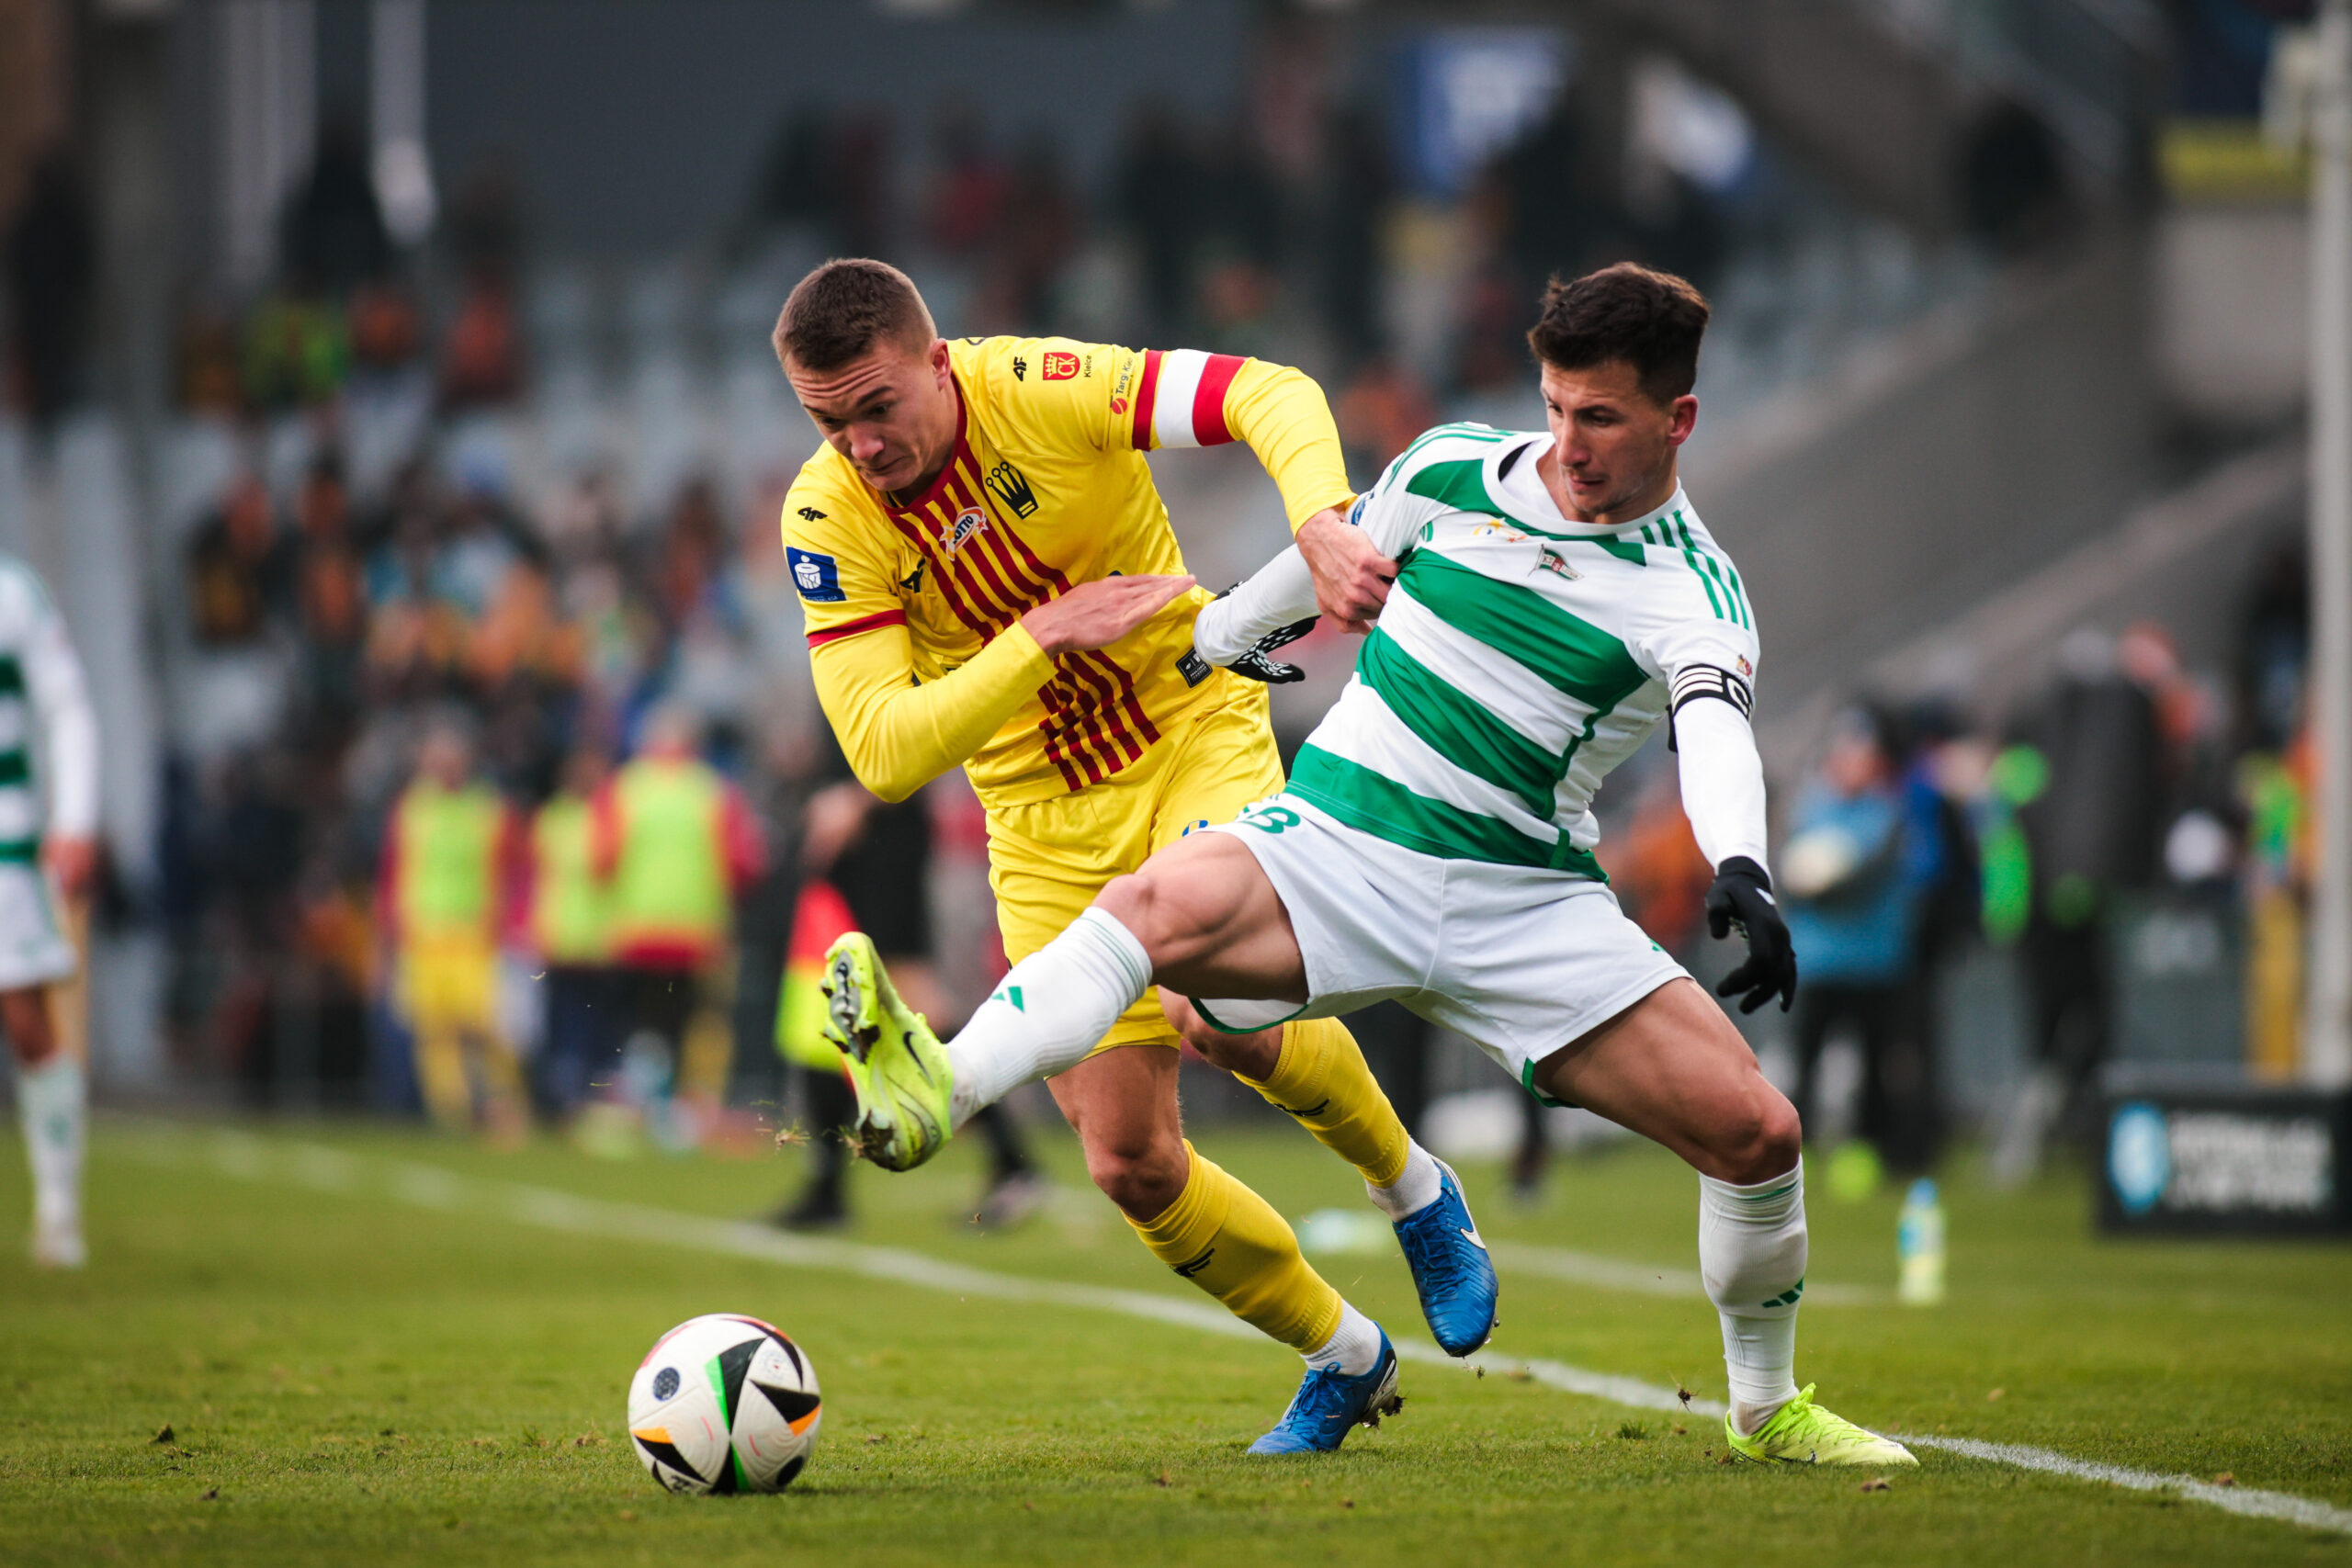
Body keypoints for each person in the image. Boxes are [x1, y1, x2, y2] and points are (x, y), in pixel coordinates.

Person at [827, 264, 1915, 1468]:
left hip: (1527, 901)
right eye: (1555, 407)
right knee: (1153, 913)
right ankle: (941, 1089)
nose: (1569, 444)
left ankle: (1766, 1408)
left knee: (1758, 1130)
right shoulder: (1455, 468)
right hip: (1343, 847)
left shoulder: (1696, 591)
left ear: (1679, 419)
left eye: (1599, 417)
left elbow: (1713, 730)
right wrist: (1222, 636)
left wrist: (1745, 865)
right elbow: (1328, 557)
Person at [773, 258, 1494, 1453]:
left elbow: (1267, 387)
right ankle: (1345, 1354)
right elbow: (884, 750)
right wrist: (1038, 638)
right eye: (826, 419)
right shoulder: (825, 515)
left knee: (1214, 1003)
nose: (857, 442)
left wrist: (1317, 518)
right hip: (1041, 818)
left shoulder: (1041, 387)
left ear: (935, 362)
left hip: (1186, 737)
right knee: (1128, 1160)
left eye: (875, 406)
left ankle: (1414, 1187)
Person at [770, 766, 1044, 1232]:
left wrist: (857, 797)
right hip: (853, 830)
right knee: (829, 996)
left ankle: (1012, 1162)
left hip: (882, 827)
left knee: (914, 998)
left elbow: (918, 727)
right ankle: (827, 1187)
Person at [592, 706, 765, 1126]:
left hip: (639, 930)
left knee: (645, 1022)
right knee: (701, 1021)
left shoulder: (623, 788)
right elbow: (746, 864)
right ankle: (695, 1106)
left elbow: (600, 860)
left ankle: (646, 1103)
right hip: (699, 931)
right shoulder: (715, 791)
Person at [0, 557, 99, 1266]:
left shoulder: (13, 593)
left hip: (5, 842)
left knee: (26, 1018)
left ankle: (58, 1208)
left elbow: (66, 705)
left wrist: (75, 819)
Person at [377, 720, 526, 1140]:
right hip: (424, 935)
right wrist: (389, 934)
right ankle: (454, 1113)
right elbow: (393, 874)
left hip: (473, 934)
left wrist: (509, 925)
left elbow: (511, 870)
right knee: (434, 1031)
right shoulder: (411, 809)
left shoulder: (487, 809)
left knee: (484, 1025)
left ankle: (501, 1102)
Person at [525, 743, 618, 1118]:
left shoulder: (603, 817)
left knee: (592, 1024)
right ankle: (561, 1098)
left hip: (595, 939)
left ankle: (583, 1096)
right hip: (562, 936)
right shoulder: (553, 819)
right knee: (563, 1024)